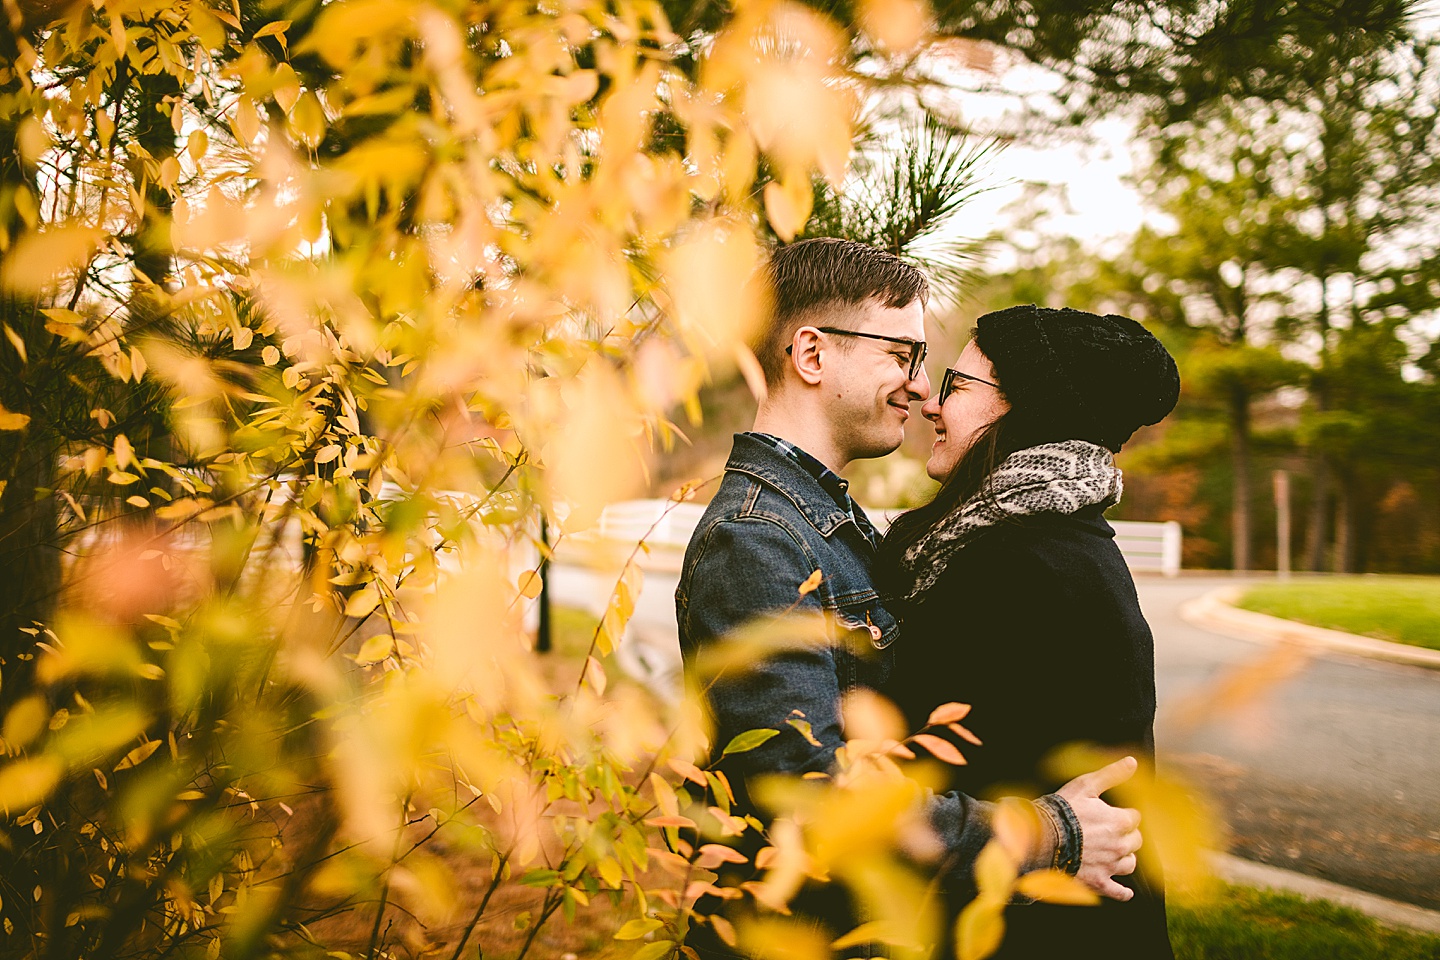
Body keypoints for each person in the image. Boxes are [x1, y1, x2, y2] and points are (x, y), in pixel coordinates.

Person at [674, 241, 1144, 958]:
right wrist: (1044, 832)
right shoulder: (756, 541)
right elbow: (809, 795)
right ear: (811, 355)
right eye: (903, 356)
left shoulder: (828, 526)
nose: (922, 391)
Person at [877, 303, 1182, 958]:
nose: (930, 401)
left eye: (956, 385)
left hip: (1039, 928)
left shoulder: (1014, 563)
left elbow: (905, 757)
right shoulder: (1045, 539)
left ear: (1025, 411)